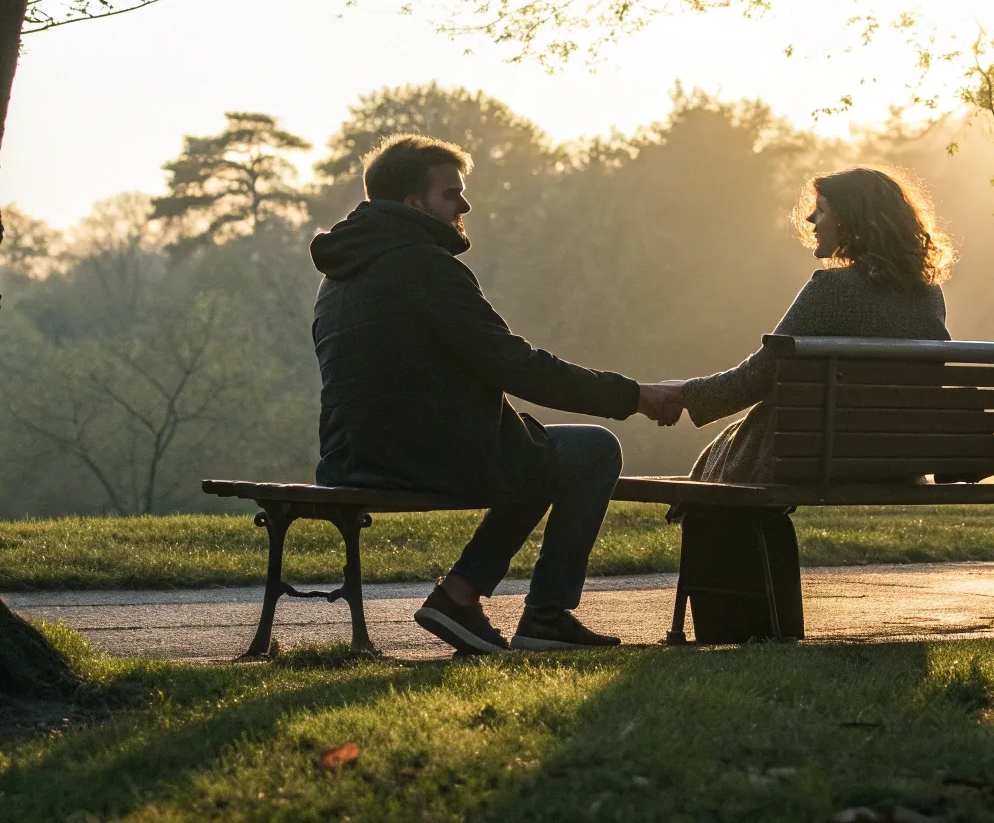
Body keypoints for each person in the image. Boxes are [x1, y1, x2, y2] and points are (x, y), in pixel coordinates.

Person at [310, 134, 684, 655]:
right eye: (451, 194)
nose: (465, 205)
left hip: (351, 457)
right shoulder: (422, 266)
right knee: (592, 451)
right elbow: (516, 366)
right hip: (416, 454)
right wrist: (634, 396)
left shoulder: (342, 274)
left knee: (531, 450)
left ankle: (462, 595)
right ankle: (538, 615)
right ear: (412, 202)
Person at [644, 166, 954, 485]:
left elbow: (758, 377)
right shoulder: (929, 295)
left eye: (820, 210)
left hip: (816, 457)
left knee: (720, 474)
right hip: (899, 461)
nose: (810, 220)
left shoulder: (831, 289)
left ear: (850, 220)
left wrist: (681, 393)